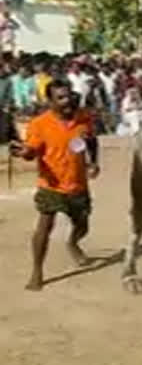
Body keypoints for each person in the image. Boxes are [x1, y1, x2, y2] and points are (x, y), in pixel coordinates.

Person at [9, 78, 100, 291]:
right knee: (44, 226)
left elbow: (91, 140)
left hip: (78, 183)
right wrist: (25, 153)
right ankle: (37, 271)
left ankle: (73, 243)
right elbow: (31, 151)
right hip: (50, 185)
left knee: (82, 225)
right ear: (49, 101)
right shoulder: (39, 124)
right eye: (60, 98)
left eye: (69, 95)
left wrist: (94, 162)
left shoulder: (83, 117)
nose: (67, 101)